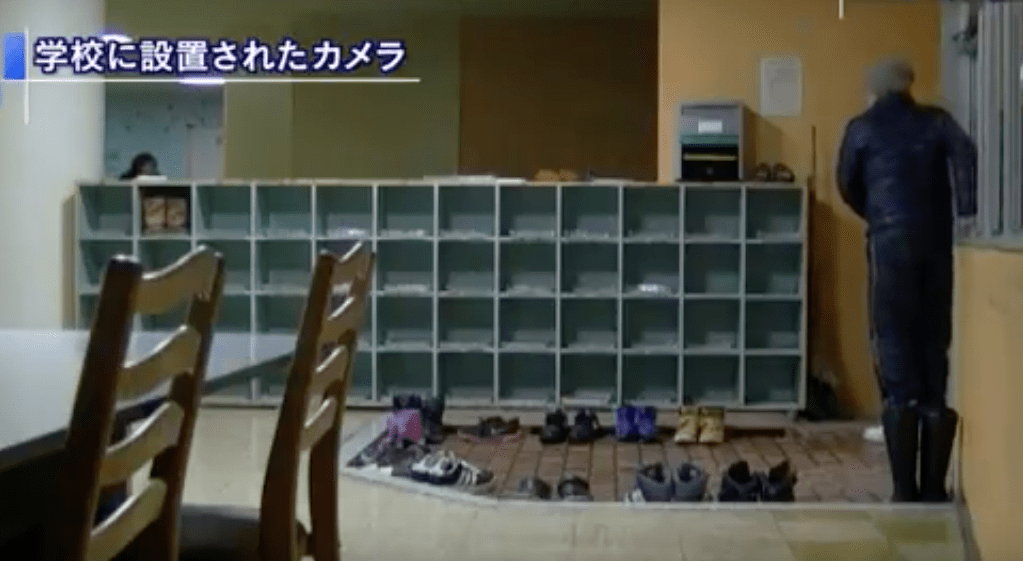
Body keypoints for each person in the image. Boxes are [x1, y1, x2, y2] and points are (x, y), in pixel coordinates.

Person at [836, 57, 976, 502]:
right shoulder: (937, 122)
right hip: (935, 246)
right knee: (933, 348)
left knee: (893, 346)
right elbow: (966, 156)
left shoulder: (861, 128)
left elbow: (846, 184)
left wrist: (878, 215)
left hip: (888, 248)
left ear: (875, 89)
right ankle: (934, 486)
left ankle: (903, 488)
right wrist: (966, 212)